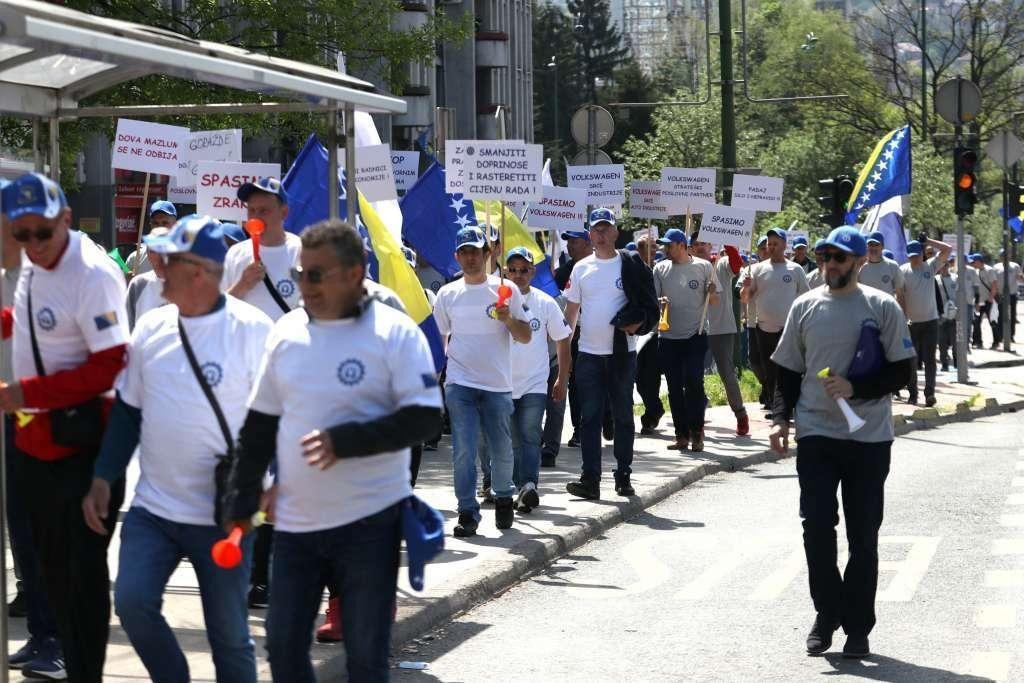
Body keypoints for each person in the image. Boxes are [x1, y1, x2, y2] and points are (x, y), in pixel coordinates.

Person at [222, 218, 442, 682]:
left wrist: (346, 441)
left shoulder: (395, 333)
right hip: (296, 526)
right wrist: (242, 497)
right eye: (302, 272)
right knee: (282, 649)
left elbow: (425, 417)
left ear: (355, 274)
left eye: (317, 274)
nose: (304, 284)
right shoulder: (285, 333)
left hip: (370, 524)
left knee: (364, 659)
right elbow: (260, 424)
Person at [82, 216, 271, 683]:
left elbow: (284, 417)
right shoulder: (150, 328)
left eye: (167, 259)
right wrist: (104, 476)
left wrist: (275, 484)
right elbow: (129, 410)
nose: (156, 266)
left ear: (200, 271)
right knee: (131, 602)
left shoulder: (254, 330)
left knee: (229, 636)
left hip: (225, 514)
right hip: (155, 509)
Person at [0, 173, 129, 683]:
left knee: (81, 581)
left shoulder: (92, 274)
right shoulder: (35, 262)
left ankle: (84, 672)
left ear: (67, 220)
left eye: (42, 233)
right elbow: (39, 321)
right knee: (52, 575)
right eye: (22, 233)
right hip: (38, 441)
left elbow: (111, 365)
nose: (33, 245)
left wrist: (23, 394)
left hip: (84, 446)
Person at [770, 226, 916, 659]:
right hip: (816, 433)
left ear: (856, 262)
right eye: (824, 258)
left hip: (869, 438)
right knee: (816, 527)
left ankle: (857, 627)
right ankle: (827, 612)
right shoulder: (805, 306)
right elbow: (788, 372)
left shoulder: (882, 307)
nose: (830, 265)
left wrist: (857, 387)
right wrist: (780, 420)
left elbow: (901, 373)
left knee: (863, 536)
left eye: (838, 258)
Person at [221, 176, 299, 608]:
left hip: (290, 387)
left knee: (285, 478)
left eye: (265, 210)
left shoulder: (301, 252)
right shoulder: (234, 255)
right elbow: (214, 313)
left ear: (283, 212)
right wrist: (242, 285)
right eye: (251, 211)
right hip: (243, 387)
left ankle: (276, 570)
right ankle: (254, 575)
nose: (256, 217)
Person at [1, 181, 65, 678]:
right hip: (12, 418)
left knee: (47, 535)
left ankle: (61, 641)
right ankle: (43, 634)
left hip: (49, 419)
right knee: (22, 534)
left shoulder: (49, 273)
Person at [433, 226, 531, 536]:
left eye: (476, 251)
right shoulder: (447, 294)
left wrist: (508, 319)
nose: (471, 257)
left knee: (501, 447)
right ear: (457, 257)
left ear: (487, 254)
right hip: (460, 384)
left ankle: (503, 496)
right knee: (463, 448)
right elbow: (440, 337)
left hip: (497, 385)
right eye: (465, 252)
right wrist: (437, 375)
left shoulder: (506, 291)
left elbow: (526, 336)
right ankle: (467, 511)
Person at [563, 208, 658, 499]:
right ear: (589, 234)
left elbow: (649, 306)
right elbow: (570, 314)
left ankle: (623, 474)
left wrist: (637, 323)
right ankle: (590, 479)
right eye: (596, 229)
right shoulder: (580, 269)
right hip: (589, 355)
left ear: (616, 232)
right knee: (589, 418)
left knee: (623, 416)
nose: (601, 234)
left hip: (622, 354)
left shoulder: (630, 265)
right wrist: (562, 354)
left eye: (606, 229)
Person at [505, 247, 571, 511]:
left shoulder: (545, 303)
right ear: (505, 271)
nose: (518, 275)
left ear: (533, 271)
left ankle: (529, 485)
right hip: (502, 383)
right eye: (513, 270)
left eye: (524, 270)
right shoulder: (495, 301)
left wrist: (562, 379)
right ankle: (515, 488)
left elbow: (563, 340)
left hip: (534, 382)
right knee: (511, 440)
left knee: (531, 434)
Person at [653, 229, 717, 451]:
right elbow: (655, 302)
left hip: (695, 335)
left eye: (668, 245)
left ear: (681, 245)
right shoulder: (660, 268)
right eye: (664, 245)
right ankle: (681, 434)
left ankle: (697, 431)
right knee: (673, 386)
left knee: (693, 382)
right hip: (668, 336)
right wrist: (660, 304)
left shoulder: (704, 267)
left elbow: (715, 301)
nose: (665, 249)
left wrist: (712, 292)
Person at [740, 227, 809, 415]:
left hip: (789, 329)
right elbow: (746, 298)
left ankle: (792, 406)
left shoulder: (795, 269)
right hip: (763, 328)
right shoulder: (758, 269)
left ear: (785, 245)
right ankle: (776, 407)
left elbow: (806, 298)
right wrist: (746, 288)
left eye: (775, 243)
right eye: (769, 244)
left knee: (789, 370)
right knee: (769, 371)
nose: (771, 247)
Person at [693, 239, 747, 435]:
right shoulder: (688, 267)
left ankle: (740, 414)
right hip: (695, 329)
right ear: (690, 247)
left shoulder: (721, 264)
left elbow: (736, 262)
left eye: (704, 243)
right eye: (696, 243)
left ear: (711, 247)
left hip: (721, 329)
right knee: (692, 374)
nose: (700, 247)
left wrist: (726, 239)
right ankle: (697, 411)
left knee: (727, 374)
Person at [555, 226, 595, 449]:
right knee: (577, 383)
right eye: (568, 241)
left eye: (575, 241)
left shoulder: (601, 266)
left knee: (600, 381)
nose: (570, 245)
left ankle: (606, 418)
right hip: (574, 335)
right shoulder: (563, 272)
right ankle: (579, 429)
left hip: (600, 335)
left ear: (588, 243)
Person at [900, 238, 951, 406]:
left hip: (930, 321)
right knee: (911, 360)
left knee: (930, 360)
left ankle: (929, 393)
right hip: (911, 323)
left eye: (917, 255)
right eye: (911, 256)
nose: (914, 259)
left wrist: (928, 240)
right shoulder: (902, 271)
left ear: (922, 254)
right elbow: (899, 295)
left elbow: (948, 249)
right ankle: (912, 393)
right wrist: (903, 316)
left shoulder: (930, 267)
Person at [634, 231, 664, 435]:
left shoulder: (661, 269)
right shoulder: (630, 269)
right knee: (636, 378)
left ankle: (652, 413)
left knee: (649, 377)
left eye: (654, 246)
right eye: (647, 246)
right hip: (635, 332)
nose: (652, 250)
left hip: (655, 334)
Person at [738, 236, 770, 409]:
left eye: (768, 247)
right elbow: (739, 294)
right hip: (753, 322)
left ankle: (773, 395)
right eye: (762, 248)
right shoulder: (751, 269)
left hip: (777, 324)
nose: (765, 250)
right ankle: (767, 386)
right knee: (755, 361)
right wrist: (746, 286)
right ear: (757, 251)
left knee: (773, 362)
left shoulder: (783, 268)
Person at [125, 226, 171, 330]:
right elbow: (128, 326)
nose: (158, 256)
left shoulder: (187, 284)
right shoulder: (138, 284)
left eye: (162, 249)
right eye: (153, 250)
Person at [125, 199, 178, 276]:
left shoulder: (186, 257)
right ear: (150, 225)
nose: (160, 226)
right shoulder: (135, 259)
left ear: (175, 224)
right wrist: (129, 283)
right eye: (155, 223)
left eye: (165, 222)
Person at [857, 231, 904, 301]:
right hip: (866, 310)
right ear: (866, 246)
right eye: (870, 244)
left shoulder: (893, 266)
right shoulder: (859, 267)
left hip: (886, 311)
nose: (873, 248)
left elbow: (900, 295)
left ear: (882, 246)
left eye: (876, 245)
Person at [992, 249, 1020, 346]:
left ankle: (1011, 336)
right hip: (1000, 295)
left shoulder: (1015, 266)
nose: (1004, 257)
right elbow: (993, 281)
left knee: (1011, 315)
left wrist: (1021, 277)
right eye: (1002, 255)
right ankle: (1000, 336)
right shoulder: (996, 267)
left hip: (1012, 295)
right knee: (1000, 316)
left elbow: (1019, 278)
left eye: (1006, 255)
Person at [936, 256, 958, 371]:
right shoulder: (935, 280)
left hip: (955, 316)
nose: (944, 268)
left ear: (949, 266)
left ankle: (956, 363)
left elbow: (960, 295)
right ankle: (944, 364)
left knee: (956, 341)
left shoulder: (956, 278)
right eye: (942, 265)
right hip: (941, 316)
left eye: (946, 265)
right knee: (942, 342)